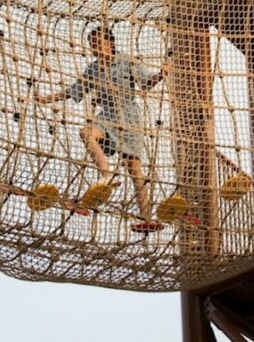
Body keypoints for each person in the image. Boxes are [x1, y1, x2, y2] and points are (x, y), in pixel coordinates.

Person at [35, 26, 165, 233]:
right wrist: (46, 99)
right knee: (86, 133)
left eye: (98, 43)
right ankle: (107, 175)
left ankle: (147, 217)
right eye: (92, 45)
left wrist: (161, 74)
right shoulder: (93, 69)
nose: (94, 48)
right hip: (107, 116)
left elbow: (146, 83)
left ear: (110, 43)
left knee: (134, 169)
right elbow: (74, 91)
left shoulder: (127, 61)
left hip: (129, 118)